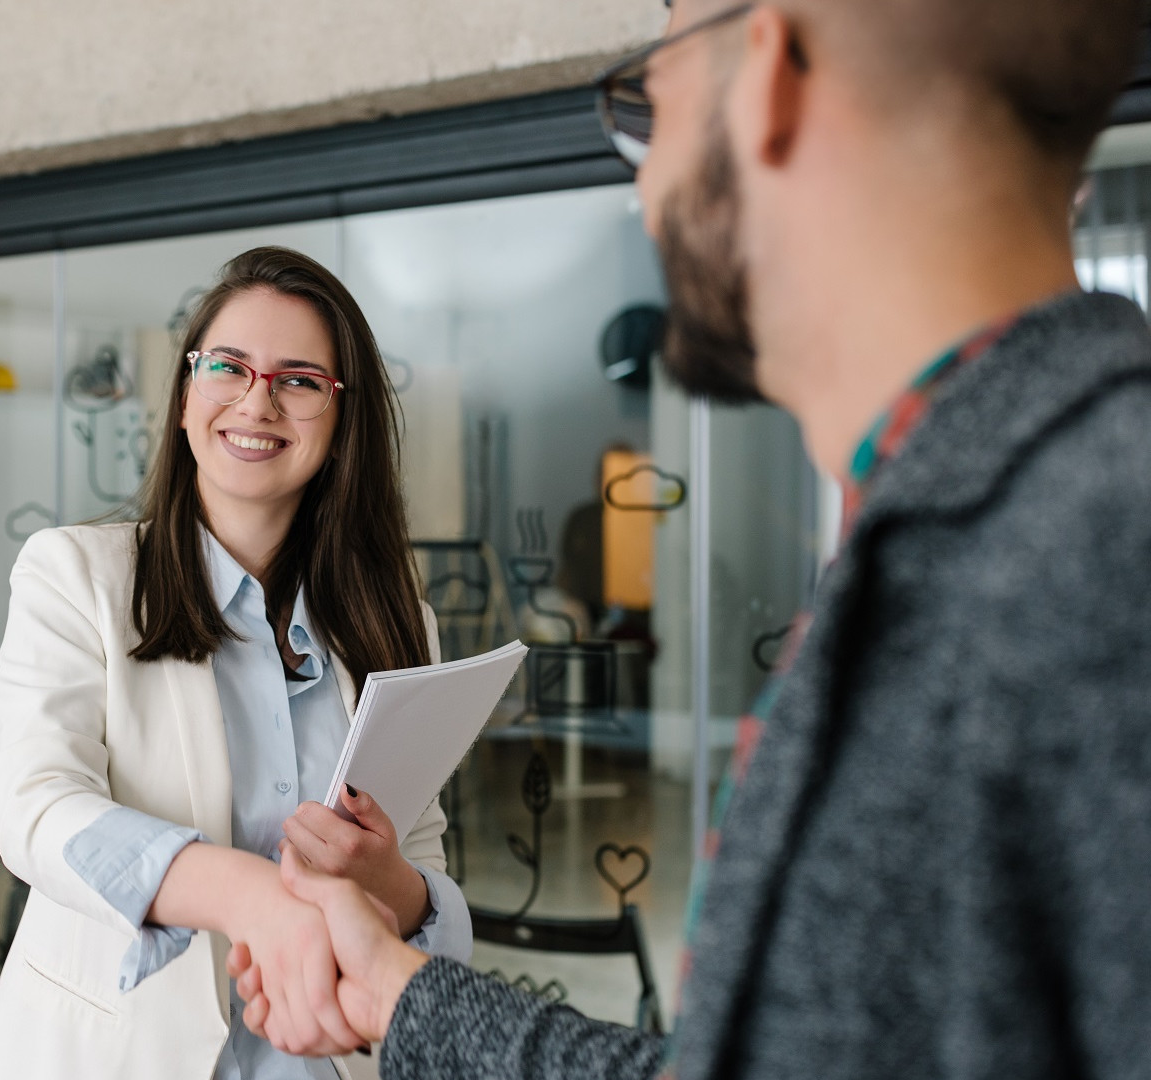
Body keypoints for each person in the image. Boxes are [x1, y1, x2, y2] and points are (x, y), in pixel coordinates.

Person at [229, 0, 1151, 1077]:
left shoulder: (1093, 551)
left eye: (649, 106)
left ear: (767, 76)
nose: (645, 188)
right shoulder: (962, 536)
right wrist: (401, 997)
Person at [0, 246, 471, 1080]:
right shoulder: (75, 577)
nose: (257, 400)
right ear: (184, 394)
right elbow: (36, 810)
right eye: (228, 367)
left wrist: (396, 883)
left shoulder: (397, 621)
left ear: (341, 418)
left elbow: (422, 866)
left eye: (300, 379)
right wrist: (249, 896)